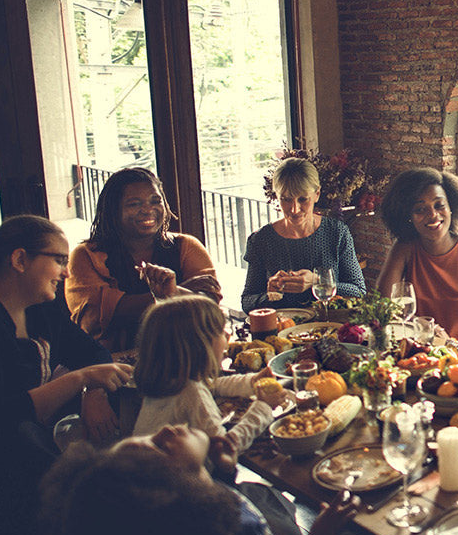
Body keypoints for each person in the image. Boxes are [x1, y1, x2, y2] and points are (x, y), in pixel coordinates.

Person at [0, 215, 131, 535]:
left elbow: (92, 352)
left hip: (29, 447)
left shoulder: (42, 308)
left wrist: (94, 392)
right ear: (19, 260)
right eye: (58, 260)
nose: (65, 272)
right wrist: (82, 379)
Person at [40, 424, 359, 535]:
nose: (164, 430)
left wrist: (223, 475)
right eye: (158, 446)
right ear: (174, 489)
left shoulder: (193, 510)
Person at [66, 167, 222, 351]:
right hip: (113, 364)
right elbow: (95, 318)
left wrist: (169, 294)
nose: (148, 210)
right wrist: (178, 292)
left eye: (155, 201)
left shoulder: (186, 246)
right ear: (113, 210)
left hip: (185, 354)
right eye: (134, 204)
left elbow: (209, 303)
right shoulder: (86, 256)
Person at [132, 295, 285, 453]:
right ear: (200, 346)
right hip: (179, 476)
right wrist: (263, 407)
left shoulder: (167, 382)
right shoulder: (192, 394)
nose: (227, 335)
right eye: (220, 331)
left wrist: (252, 382)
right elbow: (224, 450)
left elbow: (213, 385)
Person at [377, 167, 458, 340]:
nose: (432, 215)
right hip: (422, 354)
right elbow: (383, 306)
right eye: (420, 210)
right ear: (407, 215)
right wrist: (421, 325)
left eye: (439, 206)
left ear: (452, 207)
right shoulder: (404, 249)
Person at [242, 157, 366, 313]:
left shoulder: (336, 232)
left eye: (303, 199)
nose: (294, 209)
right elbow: (247, 302)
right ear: (276, 197)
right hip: (283, 332)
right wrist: (270, 295)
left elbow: (359, 292)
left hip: (329, 327)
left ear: (317, 194)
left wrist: (318, 281)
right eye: (286, 199)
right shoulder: (261, 240)